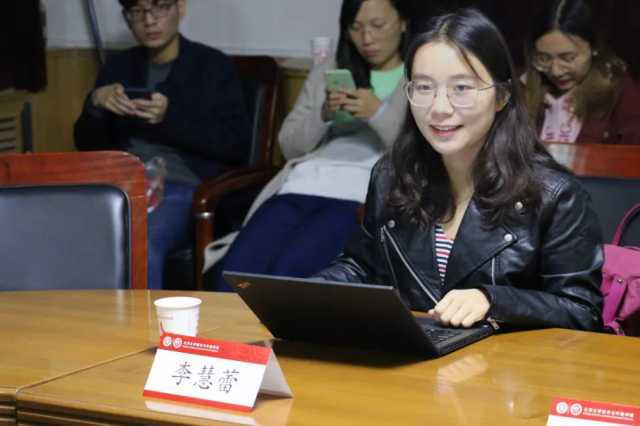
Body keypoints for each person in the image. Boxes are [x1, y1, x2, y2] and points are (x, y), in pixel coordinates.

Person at [315, 8, 604, 332]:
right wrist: (309, 293)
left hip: (506, 363)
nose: (440, 108)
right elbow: (363, 267)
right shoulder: (392, 175)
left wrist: (493, 300)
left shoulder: (554, 194)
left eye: (462, 88)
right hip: (410, 354)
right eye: (424, 87)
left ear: (501, 97)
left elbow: (583, 313)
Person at [206, 0, 411, 291]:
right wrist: (322, 115)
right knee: (233, 276)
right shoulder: (331, 68)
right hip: (301, 186)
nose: (367, 38)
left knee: (289, 275)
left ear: (403, 23)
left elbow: (416, 155)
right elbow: (289, 146)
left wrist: (377, 113)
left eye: (378, 26)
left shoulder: (418, 76)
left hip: (356, 196)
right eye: (356, 28)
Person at [74, 0, 250, 289]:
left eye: (159, 8)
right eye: (138, 11)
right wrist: (94, 103)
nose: (149, 20)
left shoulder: (212, 67)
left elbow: (234, 144)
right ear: (127, 17)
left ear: (180, 8)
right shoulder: (119, 68)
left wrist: (169, 119)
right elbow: (88, 148)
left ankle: (140, 320)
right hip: (122, 183)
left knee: (142, 240)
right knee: (67, 230)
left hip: (182, 186)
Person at [523, 0, 640, 144]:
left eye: (568, 58)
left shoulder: (620, 92)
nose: (556, 71)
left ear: (594, 47)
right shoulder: (519, 87)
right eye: (544, 58)